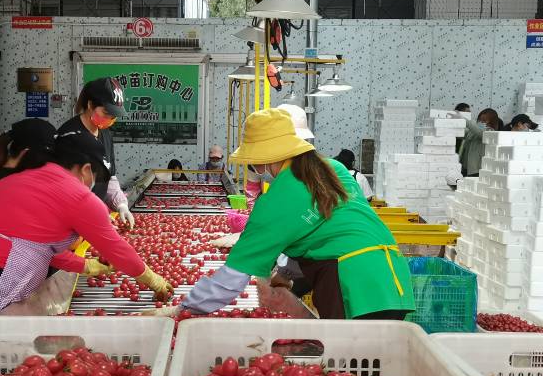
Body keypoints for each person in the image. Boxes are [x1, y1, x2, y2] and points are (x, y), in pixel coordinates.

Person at [150, 108, 415, 320]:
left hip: (353, 288)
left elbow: (231, 279)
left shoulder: (279, 197)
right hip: (393, 277)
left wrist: (184, 308)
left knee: (352, 372)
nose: (255, 168)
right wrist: (288, 274)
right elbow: (327, 231)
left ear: (264, 157)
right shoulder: (333, 168)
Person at [0, 129, 172, 318]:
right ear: (86, 170)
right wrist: (153, 280)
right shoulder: (79, 197)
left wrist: (87, 266)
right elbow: (117, 250)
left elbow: (32, 246)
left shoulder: (17, 180)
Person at [59, 77, 135, 228]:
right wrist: (93, 215)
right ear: (90, 105)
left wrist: (121, 204)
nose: (110, 119)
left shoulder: (105, 134)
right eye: (106, 112)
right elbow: (64, 192)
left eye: (114, 116)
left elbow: (109, 176)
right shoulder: (69, 137)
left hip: (93, 223)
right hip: (70, 224)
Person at [460, 108, 499, 177]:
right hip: (466, 167)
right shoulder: (473, 130)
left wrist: (464, 119)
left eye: (484, 120)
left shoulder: (490, 131)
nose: (481, 122)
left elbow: (480, 133)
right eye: (479, 119)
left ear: (491, 121)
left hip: (477, 169)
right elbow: (463, 134)